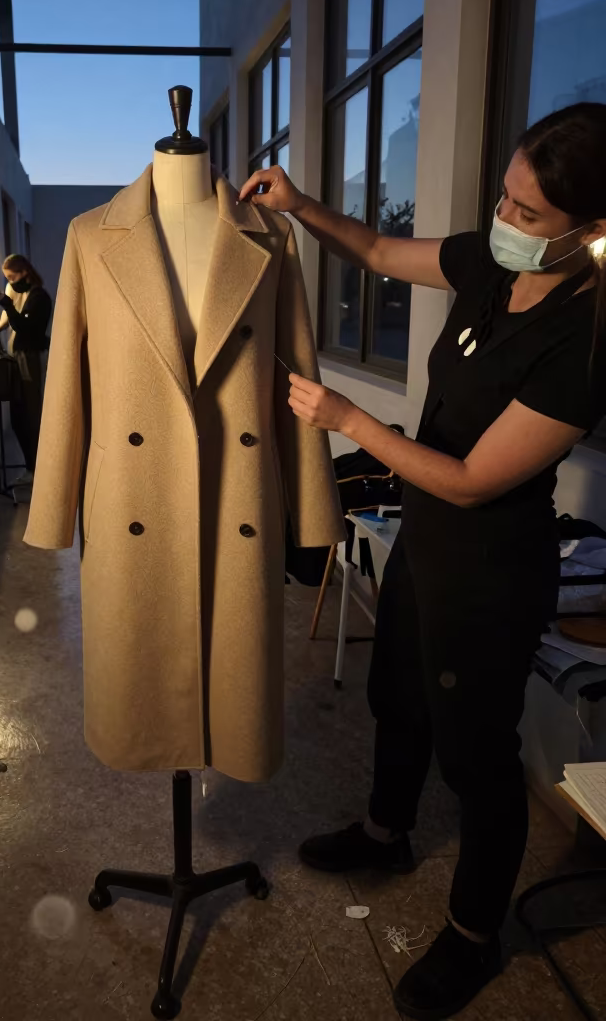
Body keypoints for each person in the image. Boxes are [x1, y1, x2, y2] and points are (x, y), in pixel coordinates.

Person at [239, 102, 606, 1021]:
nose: (506, 221)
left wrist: (350, 422)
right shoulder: (491, 264)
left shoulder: (587, 339)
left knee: (479, 755)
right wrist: (300, 204)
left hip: (489, 557)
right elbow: (373, 251)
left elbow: (480, 479)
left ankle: (475, 936)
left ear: (589, 231)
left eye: (530, 215)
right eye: (506, 196)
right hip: (425, 532)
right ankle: (385, 830)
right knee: (395, 691)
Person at [0, 254, 52, 486]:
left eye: (12, 277)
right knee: (18, 416)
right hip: (16, 358)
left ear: (24, 272)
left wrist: (8, 307)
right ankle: (32, 466)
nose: (10, 282)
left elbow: (24, 327)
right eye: (7, 278)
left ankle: (39, 469)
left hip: (29, 358)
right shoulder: (16, 291)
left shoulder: (39, 297)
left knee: (30, 415)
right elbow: (8, 319)